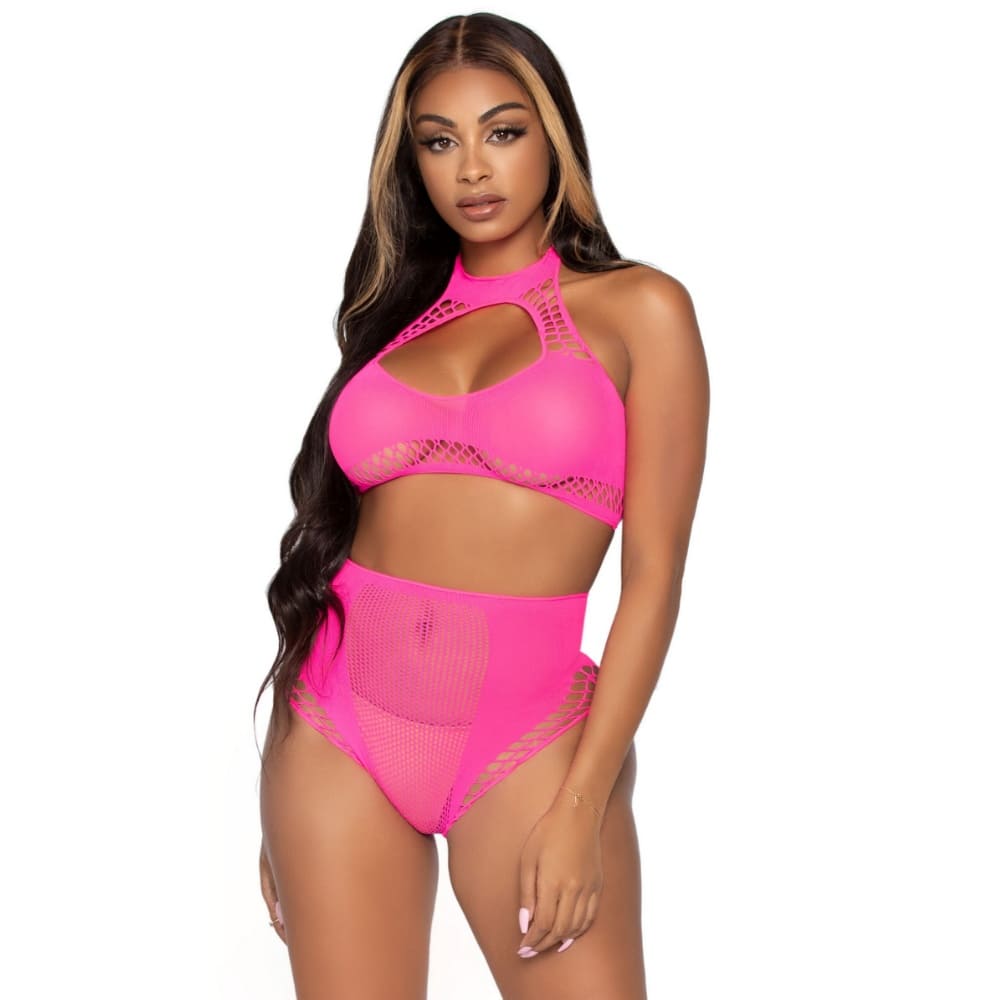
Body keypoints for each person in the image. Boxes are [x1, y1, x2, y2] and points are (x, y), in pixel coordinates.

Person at [254, 11, 709, 998]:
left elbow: (655, 575)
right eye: (438, 140)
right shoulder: (391, 314)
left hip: (530, 740)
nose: (471, 168)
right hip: (332, 727)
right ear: (410, 160)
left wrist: (583, 803)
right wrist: (280, 799)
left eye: (502, 132)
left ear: (554, 137)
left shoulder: (641, 310)